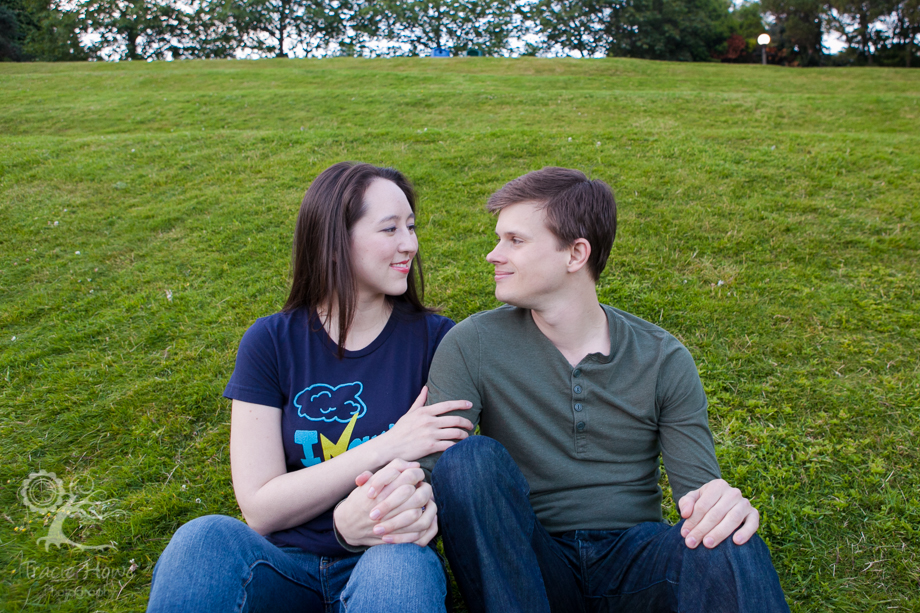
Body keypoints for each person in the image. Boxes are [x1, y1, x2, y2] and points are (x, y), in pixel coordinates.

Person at [412, 167, 789, 612]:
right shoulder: (473, 343)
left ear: (576, 254)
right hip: (530, 565)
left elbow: (699, 500)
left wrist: (725, 507)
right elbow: (432, 476)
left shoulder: (662, 357)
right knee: (468, 460)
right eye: (499, 239)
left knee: (728, 540)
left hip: (637, 563)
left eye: (515, 241)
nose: (493, 255)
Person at [147, 162, 473, 613]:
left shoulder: (437, 341)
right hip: (282, 568)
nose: (410, 244)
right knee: (201, 539)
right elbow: (260, 508)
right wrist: (389, 444)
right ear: (337, 242)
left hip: (385, 559)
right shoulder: (271, 342)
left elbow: (443, 477)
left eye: (412, 227)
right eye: (390, 229)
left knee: (400, 568)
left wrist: (375, 520)